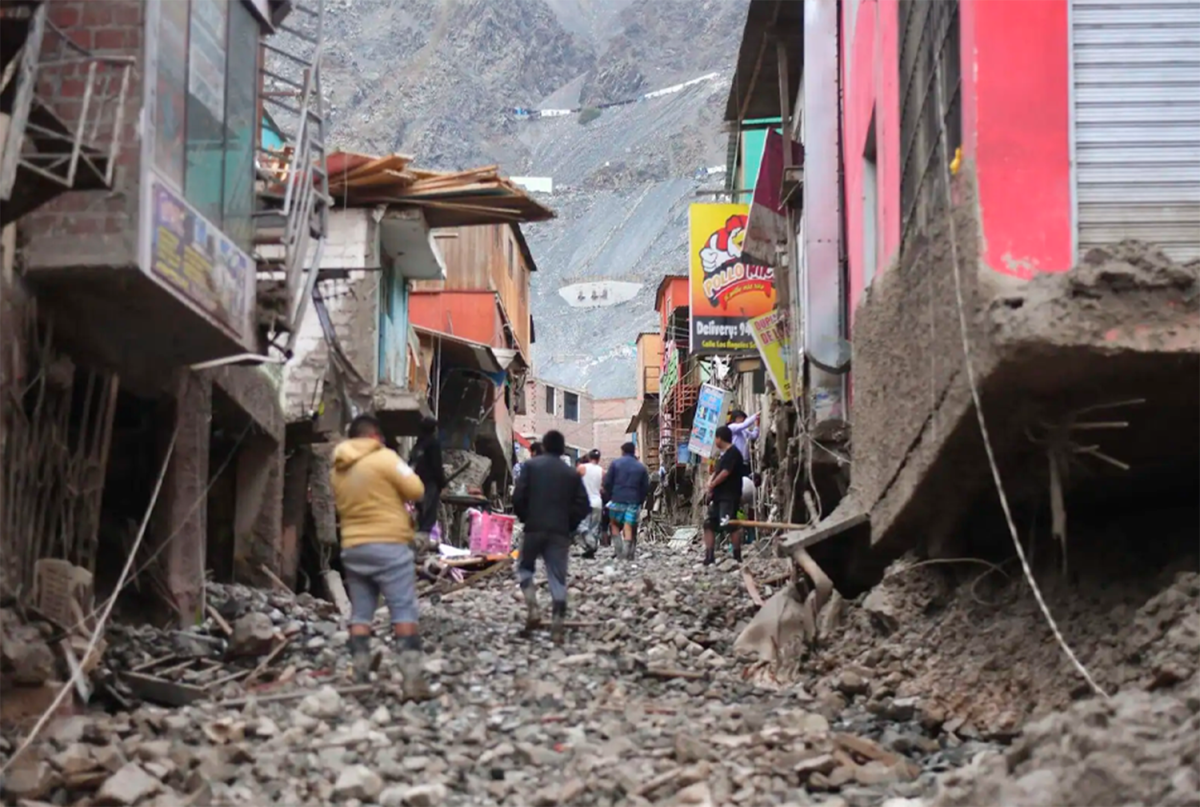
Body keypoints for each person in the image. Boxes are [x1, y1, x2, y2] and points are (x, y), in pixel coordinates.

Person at [330, 414, 430, 699]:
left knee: (361, 613)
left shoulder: (338, 466)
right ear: (375, 436)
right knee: (403, 610)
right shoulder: (385, 458)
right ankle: (412, 681)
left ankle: (360, 675)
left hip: (353, 547)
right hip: (389, 545)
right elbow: (417, 489)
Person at [512, 430, 591, 643]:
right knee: (557, 576)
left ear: (544, 446)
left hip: (533, 528)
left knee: (525, 568)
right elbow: (583, 505)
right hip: (559, 532)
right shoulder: (571, 474)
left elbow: (518, 496)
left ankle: (533, 608)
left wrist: (525, 517)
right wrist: (569, 524)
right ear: (562, 448)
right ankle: (557, 622)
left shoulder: (530, 467)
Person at [703, 425, 746, 566]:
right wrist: (710, 484)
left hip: (729, 495)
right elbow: (717, 471)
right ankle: (709, 556)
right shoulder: (723, 455)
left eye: (715, 438)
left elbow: (725, 473)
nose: (715, 441)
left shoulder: (734, 453)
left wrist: (713, 483)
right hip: (718, 496)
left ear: (720, 438)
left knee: (729, 524)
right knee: (709, 523)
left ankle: (737, 555)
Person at [602, 442, 650, 561]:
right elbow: (645, 487)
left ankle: (619, 552)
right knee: (628, 525)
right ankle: (627, 553)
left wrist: (610, 495)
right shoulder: (641, 467)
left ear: (622, 451)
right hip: (633, 500)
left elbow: (607, 482)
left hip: (617, 498)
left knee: (614, 525)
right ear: (634, 451)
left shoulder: (615, 464)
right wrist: (640, 500)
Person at [408, 416, 447, 543]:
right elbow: (436, 465)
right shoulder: (433, 444)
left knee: (421, 511)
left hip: (417, 483)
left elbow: (412, 463)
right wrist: (442, 483)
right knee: (429, 514)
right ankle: (424, 541)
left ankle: (419, 538)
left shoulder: (418, 445)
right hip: (430, 483)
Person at [577, 449, 604, 558]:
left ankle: (590, 542)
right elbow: (603, 487)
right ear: (599, 459)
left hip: (585, 501)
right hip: (597, 502)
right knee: (594, 526)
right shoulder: (602, 471)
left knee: (581, 525)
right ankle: (590, 550)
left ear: (588, 457)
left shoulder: (582, 468)